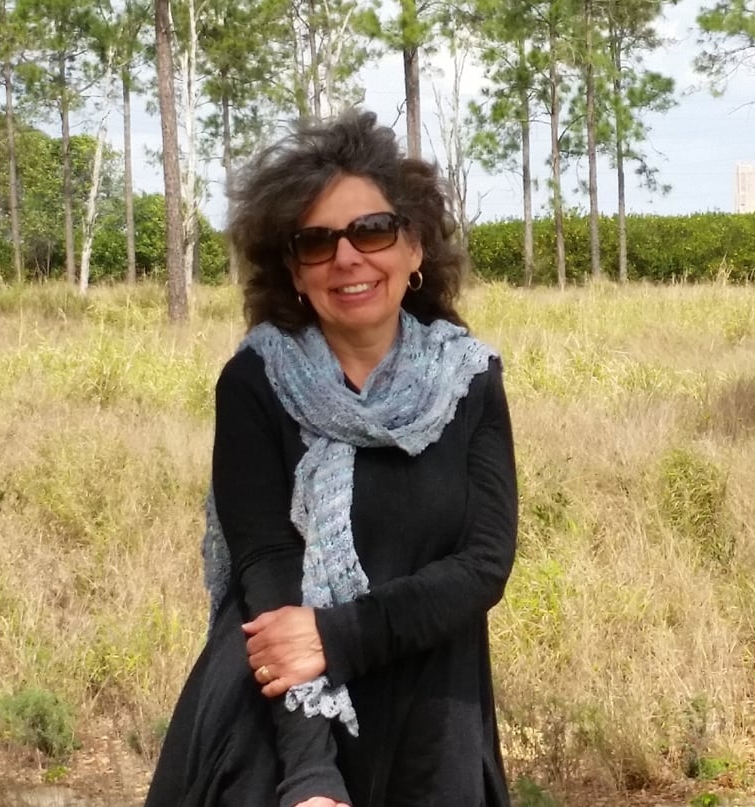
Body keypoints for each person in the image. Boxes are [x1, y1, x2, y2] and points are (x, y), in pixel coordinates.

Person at [144, 108, 518, 807]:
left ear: (415, 250)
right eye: (316, 242)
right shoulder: (256, 382)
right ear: (292, 269)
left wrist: (342, 633)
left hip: (433, 715)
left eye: (372, 230)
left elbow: (484, 565)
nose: (347, 257)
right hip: (278, 721)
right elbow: (271, 575)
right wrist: (309, 776)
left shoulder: (469, 380)